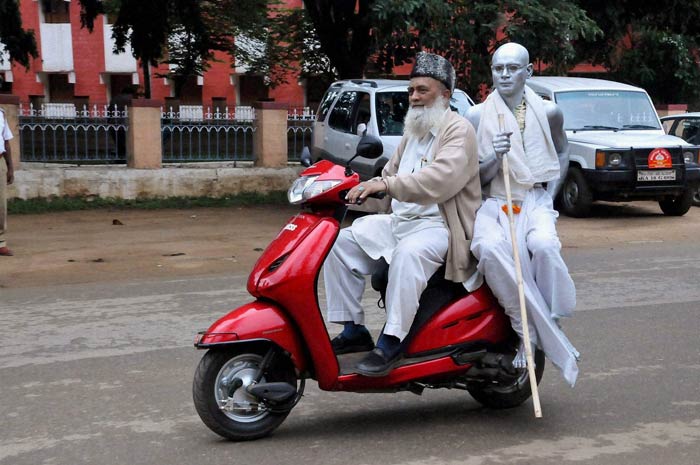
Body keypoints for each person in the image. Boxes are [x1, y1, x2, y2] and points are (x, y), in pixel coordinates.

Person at [323, 52, 482, 377]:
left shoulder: (458, 131)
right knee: (338, 242)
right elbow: (387, 183)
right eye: (411, 91)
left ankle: (392, 341)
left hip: (440, 228)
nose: (414, 97)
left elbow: (440, 179)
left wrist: (386, 185)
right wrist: (351, 194)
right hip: (401, 223)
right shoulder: (413, 132)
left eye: (422, 90)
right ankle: (353, 329)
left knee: (410, 254)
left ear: (445, 95)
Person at [465, 42, 579, 387]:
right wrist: (492, 158)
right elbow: (474, 177)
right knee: (488, 248)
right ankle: (525, 329)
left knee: (544, 245)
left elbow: (562, 153)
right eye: (498, 68)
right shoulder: (476, 116)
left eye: (512, 68)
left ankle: (552, 316)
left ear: (528, 72)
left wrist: (550, 196)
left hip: (533, 198)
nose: (504, 75)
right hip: (495, 201)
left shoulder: (548, 112)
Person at [0, 106, 14, 256]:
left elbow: (6, 142)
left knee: (1, 204)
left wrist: (10, 167)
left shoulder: (1, 114)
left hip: (0, 162)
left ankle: (0, 242)